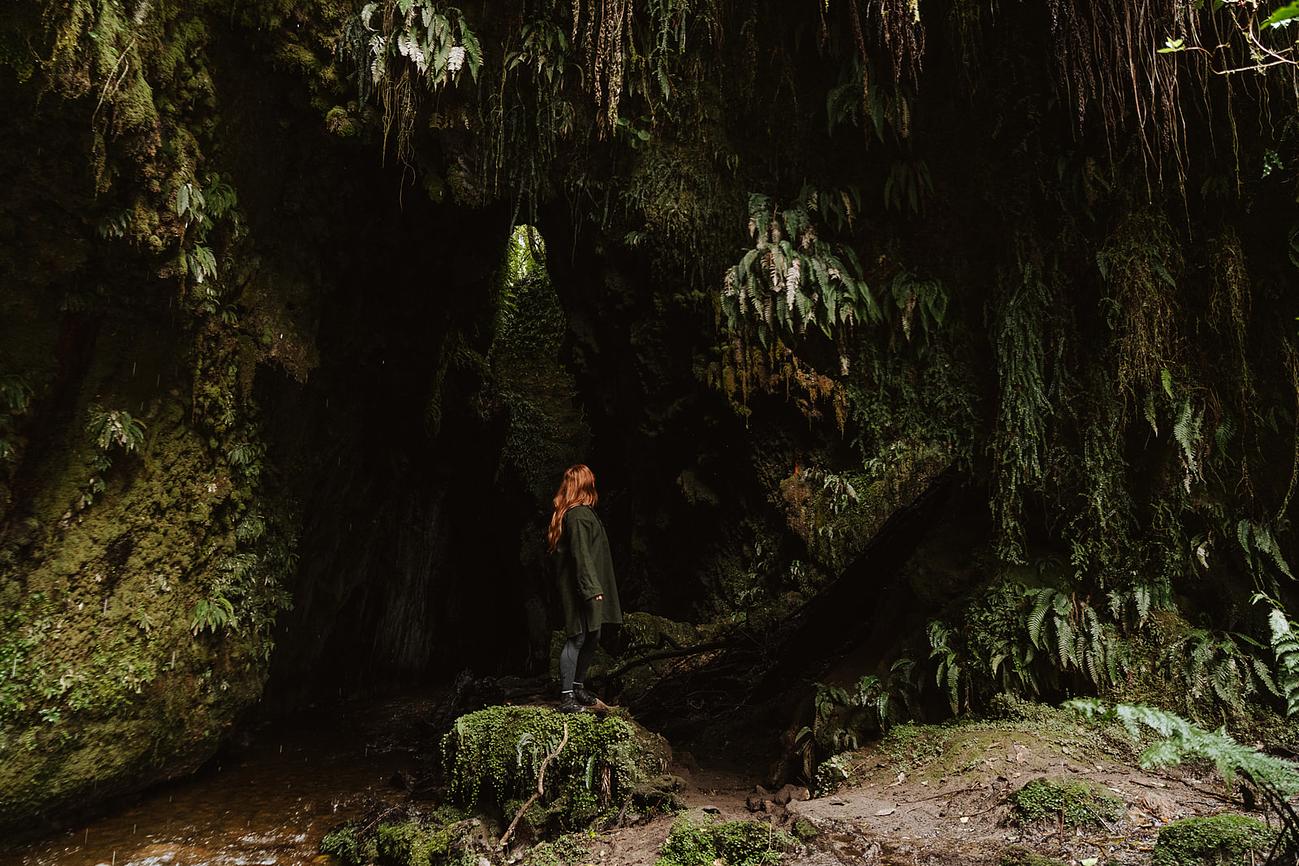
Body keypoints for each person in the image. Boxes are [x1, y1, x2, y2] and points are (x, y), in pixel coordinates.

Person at [547, 463, 623, 713]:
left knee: (593, 634)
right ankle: (567, 696)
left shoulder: (583, 513)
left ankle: (578, 687)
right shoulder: (577, 515)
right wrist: (590, 588)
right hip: (579, 587)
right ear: (584, 484)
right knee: (578, 636)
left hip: (589, 584)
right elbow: (580, 555)